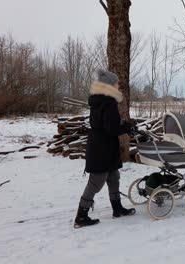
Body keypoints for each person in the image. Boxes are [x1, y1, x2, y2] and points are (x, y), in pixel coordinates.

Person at [74, 69, 136, 228]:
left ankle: (117, 209)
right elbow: (112, 128)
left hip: (104, 146)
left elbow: (106, 123)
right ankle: (81, 216)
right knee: (96, 182)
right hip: (102, 148)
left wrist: (123, 125)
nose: (118, 84)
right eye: (116, 82)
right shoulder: (108, 102)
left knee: (113, 177)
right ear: (109, 85)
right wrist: (127, 128)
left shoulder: (99, 100)